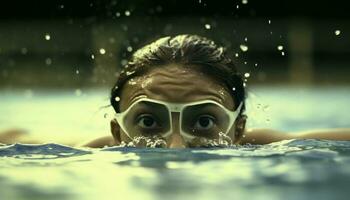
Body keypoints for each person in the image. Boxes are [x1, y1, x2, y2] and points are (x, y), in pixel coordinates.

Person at [83, 34, 350, 148]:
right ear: (117, 133)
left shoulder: (262, 145)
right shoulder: (92, 153)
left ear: (238, 131)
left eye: (203, 121)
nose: (176, 149)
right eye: (149, 121)